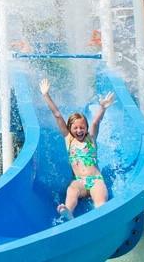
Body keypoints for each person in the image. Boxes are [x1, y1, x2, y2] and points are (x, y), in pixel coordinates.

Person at [39, 78, 115, 220]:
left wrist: (103, 108)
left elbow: (96, 122)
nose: (79, 130)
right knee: (72, 189)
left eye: (82, 127)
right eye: (75, 128)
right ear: (69, 128)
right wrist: (45, 95)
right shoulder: (69, 139)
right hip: (79, 181)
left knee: (100, 196)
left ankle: (101, 212)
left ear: (86, 128)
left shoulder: (91, 138)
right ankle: (69, 212)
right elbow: (57, 115)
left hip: (95, 179)